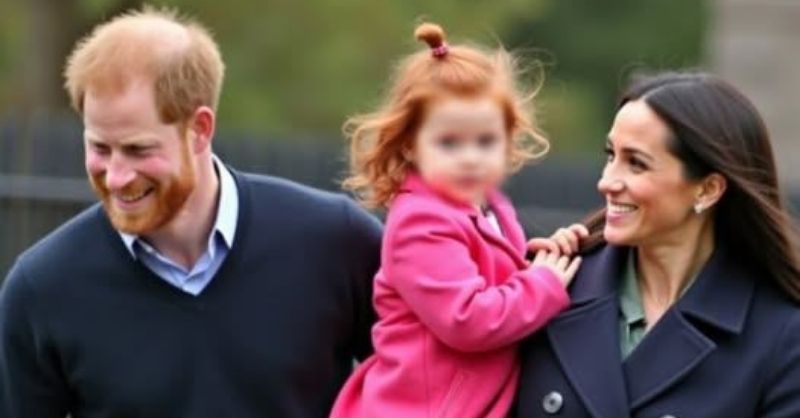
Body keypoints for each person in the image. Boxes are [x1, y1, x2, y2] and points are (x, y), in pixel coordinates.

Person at [0, 7, 382, 418]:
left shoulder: (337, 243)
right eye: (99, 148)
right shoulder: (41, 289)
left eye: (138, 149)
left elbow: (426, 383)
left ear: (200, 129)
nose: (115, 176)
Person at [330, 23, 583, 418]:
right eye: (449, 142)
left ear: (508, 139)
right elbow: (467, 319)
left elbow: (494, 277)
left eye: (486, 141)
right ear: (410, 146)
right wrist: (542, 284)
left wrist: (540, 259)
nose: (470, 157)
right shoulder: (420, 222)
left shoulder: (490, 206)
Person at [514, 72, 800, 417]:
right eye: (610, 155)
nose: (607, 182)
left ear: (707, 190)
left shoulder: (779, 335)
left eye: (636, 163)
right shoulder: (545, 291)